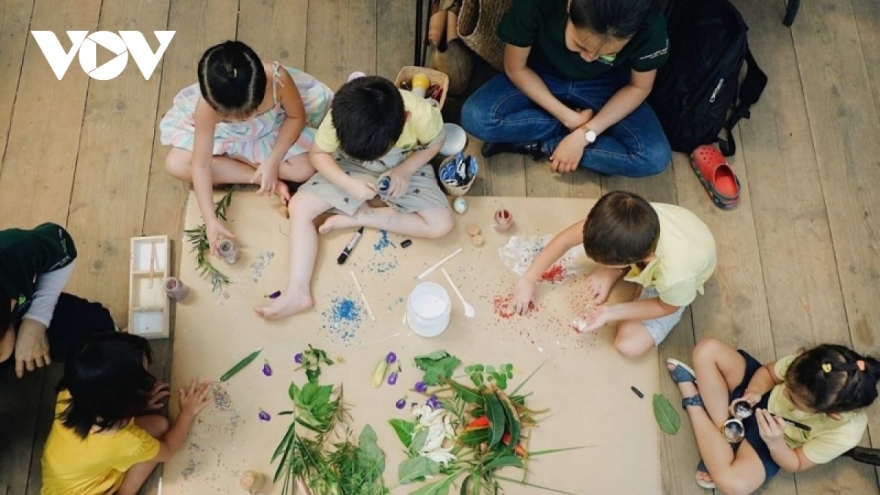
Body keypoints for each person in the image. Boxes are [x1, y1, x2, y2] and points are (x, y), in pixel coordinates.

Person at [255, 75, 453, 319]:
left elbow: (437, 142)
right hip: (352, 163)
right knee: (299, 206)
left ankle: (363, 215)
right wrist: (347, 184)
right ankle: (297, 292)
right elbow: (318, 154)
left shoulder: (423, 114)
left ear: (406, 118)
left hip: (405, 162)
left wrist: (405, 170)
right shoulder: (340, 116)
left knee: (441, 224)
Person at [460, 0, 671, 177]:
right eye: (580, 45)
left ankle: (545, 143)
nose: (589, 58)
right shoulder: (537, 4)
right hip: (541, 74)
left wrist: (584, 135)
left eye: (607, 55)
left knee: (654, 157)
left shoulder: (649, 24)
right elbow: (515, 68)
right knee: (476, 117)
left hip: (607, 86)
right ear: (569, 5)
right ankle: (576, 137)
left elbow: (639, 87)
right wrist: (570, 119)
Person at [160, 40, 333, 254]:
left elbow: (296, 116)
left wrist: (273, 160)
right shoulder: (206, 107)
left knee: (304, 168)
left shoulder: (277, 79)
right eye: (231, 117)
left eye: (251, 111)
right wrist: (210, 220)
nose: (244, 119)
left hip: (271, 130)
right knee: (175, 164)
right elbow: (201, 166)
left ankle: (242, 162)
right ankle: (255, 174)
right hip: (228, 138)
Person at [512, 191, 715, 358]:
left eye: (608, 263)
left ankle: (624, 273)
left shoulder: (676, 276)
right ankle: (618, 270)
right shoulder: (621, 220)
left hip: (674, 285)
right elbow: (565, 240)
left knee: (629, 345)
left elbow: (666, 307)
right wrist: (528, 279)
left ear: (644, 257)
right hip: (663, 242)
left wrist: (609, 312)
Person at [667, 339, 878, 493]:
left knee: (734, 485)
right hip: (760, 395)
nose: (785, 393)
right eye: (787, 385)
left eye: (794, 399)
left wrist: (775, 442)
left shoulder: (844, 434)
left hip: (775, 440)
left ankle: (693, 400)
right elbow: (769, 373)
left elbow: (796, 463)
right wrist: (754, 391)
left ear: (831, 415)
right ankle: (726, 436)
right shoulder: (813, 368)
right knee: (706, 350)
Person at [41, 332, 212, 495]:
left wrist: (137, 403)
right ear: (124, 400)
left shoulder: (70, 392)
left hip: (61, 483)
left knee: (159, 424)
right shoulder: (126, 441)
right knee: (157, 433)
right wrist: (187, 413)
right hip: (90, 489)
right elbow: (168, 450)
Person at [0, 223, 79, 378]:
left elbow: (63, 249)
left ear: (12, 303)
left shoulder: (12, 251)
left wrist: (37, 318)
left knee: (94, 326)